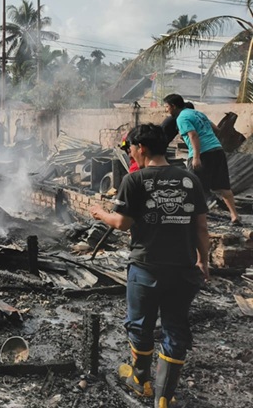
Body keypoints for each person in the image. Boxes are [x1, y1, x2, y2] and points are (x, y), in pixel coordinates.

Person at [89, 124, 209, 407]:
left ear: (140, 148)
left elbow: (122, 223)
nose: (130, 153)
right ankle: (163, 397)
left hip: (146, 268)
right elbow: (201, 228)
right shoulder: (189, 180)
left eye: (130, 148)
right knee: (175, 328)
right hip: (183, 269)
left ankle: (140, 380)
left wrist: (100, 213)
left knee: (140, 326)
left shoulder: (136, 180)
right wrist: (203, 261)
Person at [162, 94, 240, 225]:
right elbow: (216, 129)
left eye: (166, 107)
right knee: (223, 186)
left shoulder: (181, 118)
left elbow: (193, 135)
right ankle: (234, 216)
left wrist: (196, 157)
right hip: (217, 150)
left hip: (202, 153)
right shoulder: (197, 113)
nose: (166, 110)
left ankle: (196, 214)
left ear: (173, 106)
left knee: (190, 184)